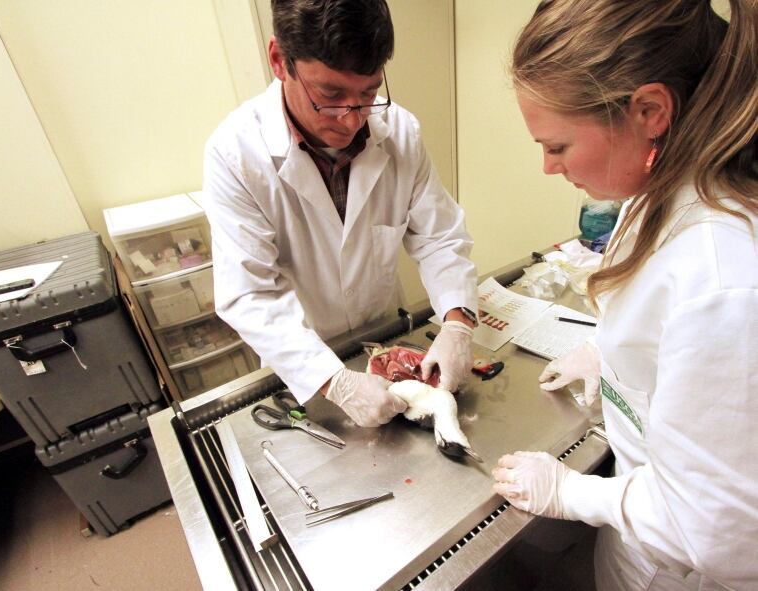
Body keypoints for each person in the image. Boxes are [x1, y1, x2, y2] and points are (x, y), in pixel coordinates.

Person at [491, 1, 757, 590]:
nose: (547, 166)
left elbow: (720, 533)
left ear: (649, 111)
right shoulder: (656, 188)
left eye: (557, 146)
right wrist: (615, 359)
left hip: (679, 571)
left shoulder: (723, 275)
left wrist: (571, 491)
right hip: (635, 546)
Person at [201, 0, 478, 428]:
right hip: (301, 360)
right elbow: (250, 294)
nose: (352, 120)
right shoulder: (236, 154)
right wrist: (334, 381)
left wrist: (457, 324)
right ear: (279, 60)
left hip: (383, 332)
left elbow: (438, 237)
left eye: (368, 93)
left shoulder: (401, 132)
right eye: (330, 96)